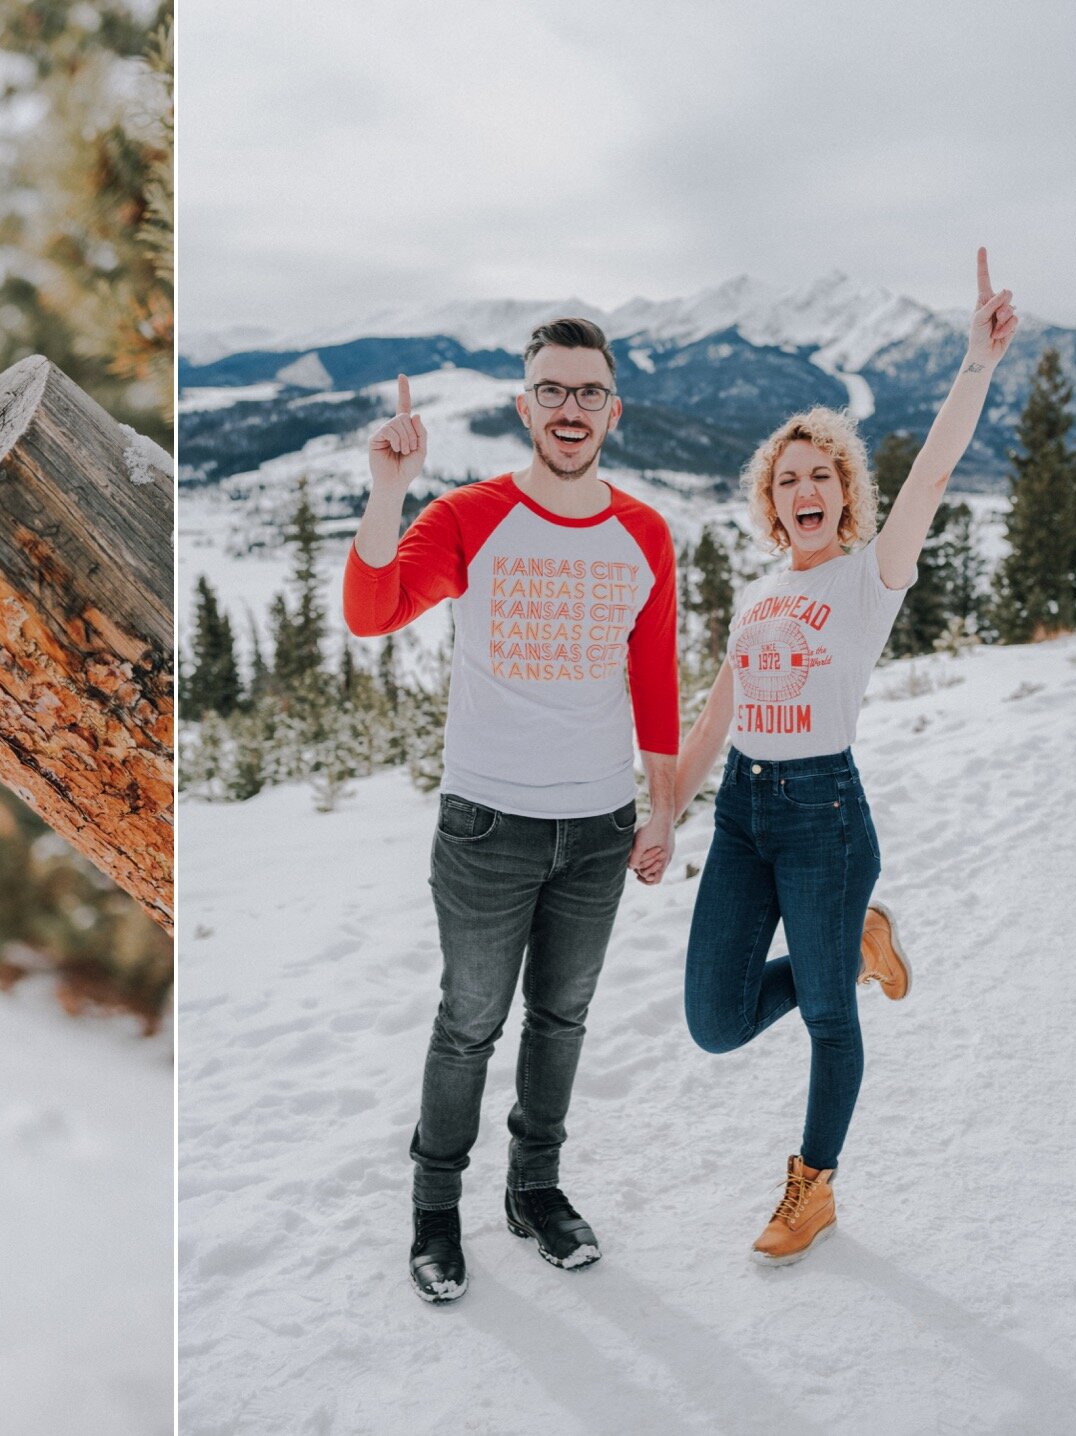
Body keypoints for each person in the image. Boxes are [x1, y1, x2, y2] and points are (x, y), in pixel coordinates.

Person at [656, 249, 1019, 1265]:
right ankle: (853, 942)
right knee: (716, 1019)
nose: (805, 488)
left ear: (843, 490)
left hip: (824, 816)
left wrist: (976, 366)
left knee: (825, 1016)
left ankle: (812, 1187)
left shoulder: (872, 575)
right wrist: (666, 810)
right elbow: (717, 713)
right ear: (770, 505)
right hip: (741, 814)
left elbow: (938, 470)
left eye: (821, 475)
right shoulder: (760, 590)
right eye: (787, 480)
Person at [344, 319, 679, 1302]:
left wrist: (660, 812)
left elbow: (655, 687)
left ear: (612, 410)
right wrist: (390, 490)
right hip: (488, 825)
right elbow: (373, 612)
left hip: (598, 825)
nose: (569, 408)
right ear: (522, 405)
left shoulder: (646, 534)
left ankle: (534, 1190)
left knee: (562, 1017)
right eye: (551, 390)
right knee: (469, 1022)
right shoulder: (473, 517)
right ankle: (435, 1208)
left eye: (587, 392)